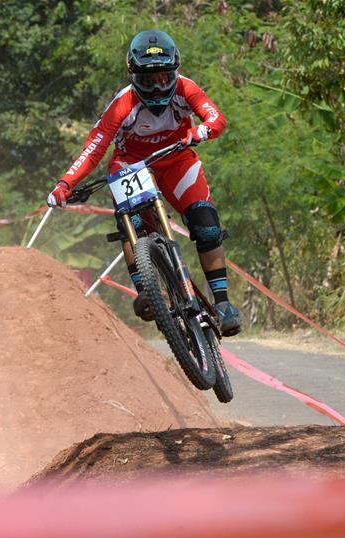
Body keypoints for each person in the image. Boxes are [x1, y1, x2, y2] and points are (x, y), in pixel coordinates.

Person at [46, 29, 241, 336]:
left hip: (177, 160)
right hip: (132, 166)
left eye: (164, 77)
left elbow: (215, 118)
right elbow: (93, 149)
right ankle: (147, 292)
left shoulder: (186, 88)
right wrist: (65, 184)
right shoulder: (122, 104)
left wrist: (202, 131)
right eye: (148, 79)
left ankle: (223, 303)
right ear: (132, 74)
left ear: (175, 70)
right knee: (132, 224)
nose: (157, 85)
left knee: (207, 225)